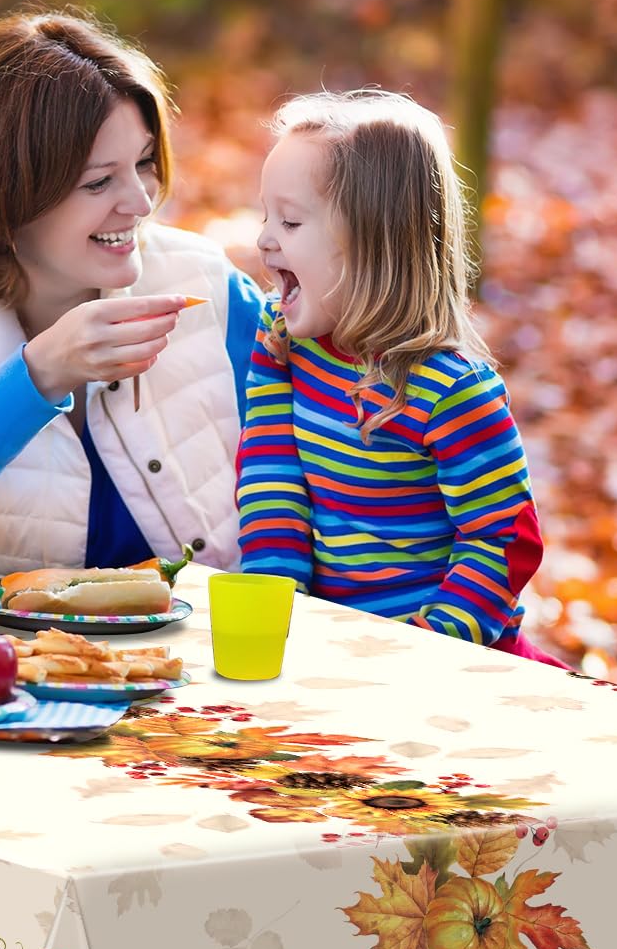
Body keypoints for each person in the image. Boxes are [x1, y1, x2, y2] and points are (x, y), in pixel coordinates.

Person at [0, 9, 266, 576]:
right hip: (0, 650)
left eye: (144, 163)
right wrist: (37, 375)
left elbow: (317, 471)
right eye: (99, 181)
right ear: (2, 197)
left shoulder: (207, 283)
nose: (141, 203)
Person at [235, 88, 565, 665]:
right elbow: (272, 474)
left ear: (374, 245)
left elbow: (504, 539)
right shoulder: (284, 338)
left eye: (289, 221)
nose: (264, 238)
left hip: (450, 660)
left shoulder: (450, 391)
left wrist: (426, 646)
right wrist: (280, 604)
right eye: (266, 215)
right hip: (334, 653)